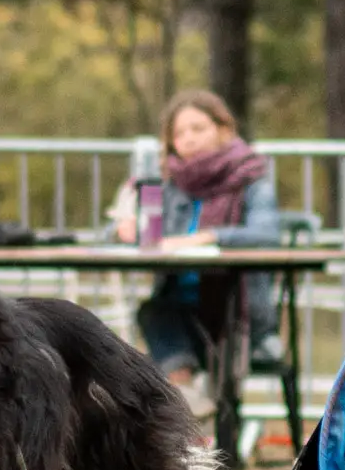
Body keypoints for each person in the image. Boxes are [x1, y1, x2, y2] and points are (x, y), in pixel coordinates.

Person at [109, 89, 282, 411]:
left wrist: (208, 237)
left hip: (235, 310)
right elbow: (121, 232)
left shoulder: (251, 177)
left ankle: (186, 412)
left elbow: (267, 233)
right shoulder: (166, 183)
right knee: (155, 311)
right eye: (179, 133)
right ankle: (186, 396)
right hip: (180, 306)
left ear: (224, 129)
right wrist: (124, 228)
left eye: (198, 128)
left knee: (171, 317)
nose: (188, 138)